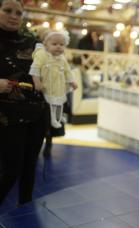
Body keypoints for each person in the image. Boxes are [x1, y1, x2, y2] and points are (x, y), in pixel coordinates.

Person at [0, 0, 49, 205]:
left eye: (18, 13)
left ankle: (24, 207)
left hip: (37, 111)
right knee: (11, 168)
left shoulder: (31, 42)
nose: (14, 16)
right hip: (7, 115)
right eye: (8, 11)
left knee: (30, 165)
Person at [29, 29, 77, 129]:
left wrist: (72, 81)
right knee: (51, 104)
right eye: (54, 44)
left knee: (60, 101)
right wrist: (37, 81)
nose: (58, 47)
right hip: (47, 84)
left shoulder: (62, 58)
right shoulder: (42, 55)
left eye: (61, 44)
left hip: (59, 84)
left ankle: (59, 117)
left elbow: (67, 70)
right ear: (46, 44)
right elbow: (35, 68)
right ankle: (53, 119)